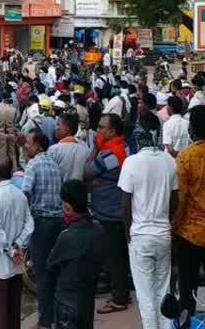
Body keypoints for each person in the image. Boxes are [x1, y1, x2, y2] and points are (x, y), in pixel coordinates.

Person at [118, 111, 177, 329]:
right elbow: (175, 199)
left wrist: (128, 234)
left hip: (140, 236)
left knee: (146, 297)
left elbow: (125, 203)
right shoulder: (169, 162)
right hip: (163, 235)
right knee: (163, 293)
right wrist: (167, 222)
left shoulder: (131, 163)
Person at [0, 154, 34, 329]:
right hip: (15, 264)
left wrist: (11, 249)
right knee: (13, 312)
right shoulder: (19, 195)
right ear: (11, 171)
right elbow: (30, 223)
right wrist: (18, 244)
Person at [85, 113, 130, 314]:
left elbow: (86, 171)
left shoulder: (111, 154)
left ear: (112, 131)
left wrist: (94, 148)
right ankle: (122, 292)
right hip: (114, 210)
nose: (98, 131)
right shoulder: (121, 148)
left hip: (110, 212)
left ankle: (119, 298)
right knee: (118, 256)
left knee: (115, 258)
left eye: (102, 127)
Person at [47, 180, 106, 328]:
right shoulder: (98, 230)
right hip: (87, 299)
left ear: (68, 207)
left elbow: (50, 266)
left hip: (66, 303)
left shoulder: (67, 236)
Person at [21, 128, 63, 329]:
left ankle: (45, 321)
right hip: (57, 223)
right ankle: (54, 317)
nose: (25, 146)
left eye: (28, 142)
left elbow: (26, 193)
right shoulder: (54, 165)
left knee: (43, 274)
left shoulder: (33, 165)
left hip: (42, 224)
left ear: (37, 145)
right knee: (53, 271)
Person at [173, 105, 205, 317]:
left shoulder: (186, 157)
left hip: (190, 233)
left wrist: (172, 229)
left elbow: (180, 200)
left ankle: (188, 322)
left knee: (187, 288)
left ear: (192, 129)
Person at [49, 112, 90, 181]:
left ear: (67, 130)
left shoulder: (54, 150)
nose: (55, 128)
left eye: (58, 125)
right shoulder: (85, 148)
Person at [0, 92, 17, 167]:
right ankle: (14, 169)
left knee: (0, 154)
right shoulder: (13, 109)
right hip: (11, 132)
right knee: (12, 154)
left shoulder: (0, 108)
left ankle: (0, 171)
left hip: (1, 132)